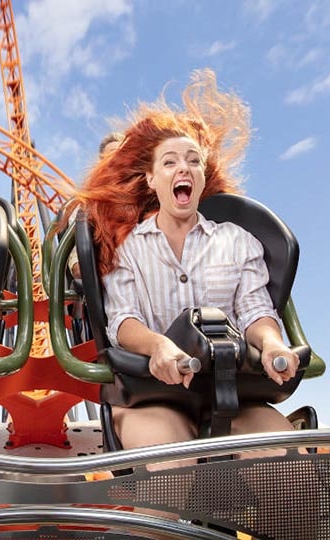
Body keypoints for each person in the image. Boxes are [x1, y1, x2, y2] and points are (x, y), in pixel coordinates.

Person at [73, 69, 300, 454]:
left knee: (287, 468)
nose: (183, 167)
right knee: (169, 466)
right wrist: (157, 346)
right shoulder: (127, 247)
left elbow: (254, 311)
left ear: (201, 175)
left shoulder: (237, 239)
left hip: (233, 392)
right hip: (153, 396)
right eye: (170, 162)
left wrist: (274, 344)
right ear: (150, 179)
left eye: (193, 160)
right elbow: (123, 320)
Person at [66, 131, 124, 279]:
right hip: (108, 276)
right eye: (111, 155)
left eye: (122, 153)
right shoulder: (86, 203)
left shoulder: (147, 194)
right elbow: (77, 263)